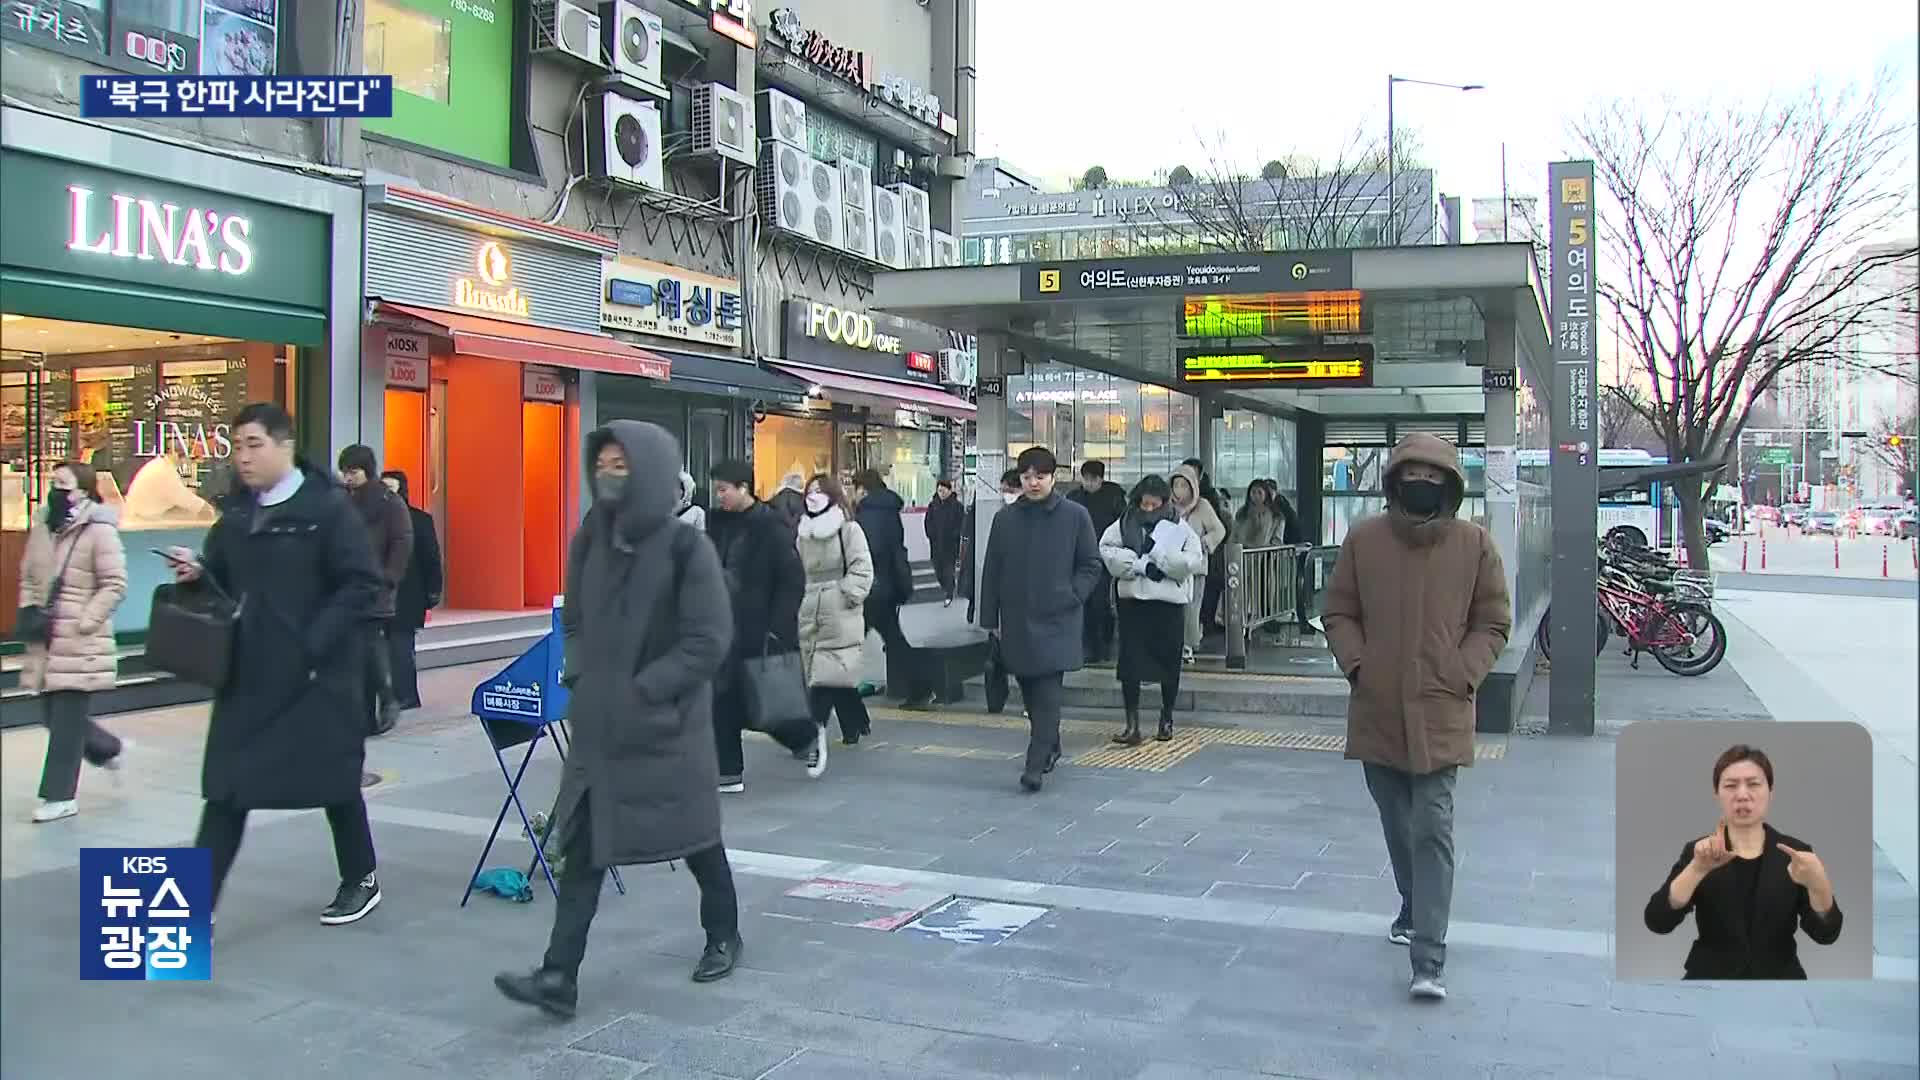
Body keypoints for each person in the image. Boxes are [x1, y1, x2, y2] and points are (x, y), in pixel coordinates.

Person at [494, 421, 744, 1019]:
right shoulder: (591, 540)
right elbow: (574, 621)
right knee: (583, 846)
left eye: (621, 465)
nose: (609, 475)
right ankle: (559, 978)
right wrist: (580, 676)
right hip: (599, 732)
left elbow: (707, 641)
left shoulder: (689, 549)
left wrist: (645, 690)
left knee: (695, 840)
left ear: (650, 471)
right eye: (601, 464)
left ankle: (723, 933)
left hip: (666, 730)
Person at [166, 402, 387, 925]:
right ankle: (197, 910)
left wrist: (315, 644)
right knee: (227, 790)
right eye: (237, 445)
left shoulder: (327, 509)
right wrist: (196, 573)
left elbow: (362, 583)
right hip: (247, 674)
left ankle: (361, 876)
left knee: (334, 782)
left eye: (254, 445)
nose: (242, 457)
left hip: (316, 679)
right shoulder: (238, 515)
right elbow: (222, 579)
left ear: (284, 446)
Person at [1321, 432, 1512, 1001]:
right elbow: (1339, 610)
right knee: (1397, 822)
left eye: (1434, 478)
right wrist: (1358, 665)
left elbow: (1493, 621)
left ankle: (1429, 956)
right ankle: (1412, 902)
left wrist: (1464, 671)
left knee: (1432, 827)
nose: (1422, 485)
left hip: (1441, 708)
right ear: (1395, 480)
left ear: (1450, 485)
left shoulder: (1475, 545)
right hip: (1378, 706)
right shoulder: (1363, 540)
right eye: (1413, 475)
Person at [1643, 744, 1842, 979]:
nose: (1742, 795)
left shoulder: (1797, 854)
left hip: (1781, 981)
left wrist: (1819, 885)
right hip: (1709, 979)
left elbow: (1826, 934)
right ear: (1716, 793)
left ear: (1771, 791)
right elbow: (1658, 921)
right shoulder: (1699, 852)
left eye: (1754, 784)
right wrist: (1696, 869)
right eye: (1730, 785)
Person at [979, 446, 1101, 792]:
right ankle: (1052, 744)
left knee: (1047, 693)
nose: (1032, 483)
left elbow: (1091, 564)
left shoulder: (1075, 516)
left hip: (1057, 619)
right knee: (1031, 692)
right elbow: (992, 571)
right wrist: (989, 618)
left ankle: (1034, 764)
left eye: (1040, 476)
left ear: (1053, 477)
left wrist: (1073, 594)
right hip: (1017, 619)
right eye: (1027, 476)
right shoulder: (1006, 519)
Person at [19, 461, 129, 823]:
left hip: (80, 638)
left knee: (65, 720)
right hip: (47, 639)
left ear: (82, 491)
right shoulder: (44, 527)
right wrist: (28, 610)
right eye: (53, 483)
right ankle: (107, 748)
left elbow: (114, 583)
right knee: (52, 715)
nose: (56, 490)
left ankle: (59, 796)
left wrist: (87, 620)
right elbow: (30, 575)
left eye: (63, 485)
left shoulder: (99, 530)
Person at [707, 459, 823, 791]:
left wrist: (778, 626)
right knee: (721, 699)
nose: (720, 497)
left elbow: (792, 579)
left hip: (758, 628)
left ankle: (805, 737)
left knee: (766, 703)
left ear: (744, 488)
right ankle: (728, 772)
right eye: (717, 490)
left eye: (724, 490)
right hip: (722, 626)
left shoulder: (769, 526)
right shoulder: (717, 525)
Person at [1097, 476, 1204, 746]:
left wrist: (1160, 558)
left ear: (1165, 502)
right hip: (1134, 602)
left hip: (1168, 605)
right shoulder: (1124, 522)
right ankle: (1131, 724)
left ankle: (1166, 718)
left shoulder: (1179, 527)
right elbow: (1106, 548)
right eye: (1144, 504)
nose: (1148, 509)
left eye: (1154, 504)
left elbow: (1193, 558)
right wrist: (1137, 564)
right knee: (1130, 664)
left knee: (1169, 663)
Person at [337, 444, 412, 736]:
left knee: (369, 645)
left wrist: (389, 577)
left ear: (366, 471)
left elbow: (402, 541)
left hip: (375, 588)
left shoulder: (389, 502)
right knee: (359, 653)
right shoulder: (343, 501)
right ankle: (367, 714)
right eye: (344, 471)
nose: (347, 477)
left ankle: (388, 695)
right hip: (347, 587)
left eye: (353, 471)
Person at [796, 474, 876, 746]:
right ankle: (856, 722)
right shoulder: (803, 533)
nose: (813, 496)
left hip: (839, 612)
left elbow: (862, 569)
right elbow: (798, 570)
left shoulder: (848, 530)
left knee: (824, 677)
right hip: (810, 610)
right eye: (810, 491)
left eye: (819, 491)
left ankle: (809, 733)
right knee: (832, 673)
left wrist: (845, 595)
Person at [852, 469, 933, 708]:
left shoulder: (870, 513)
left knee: (845, 644)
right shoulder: (887, 511)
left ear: (862, 489)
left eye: (853, 489)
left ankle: (829, 695)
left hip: (870, 588)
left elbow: (870, 549)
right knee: (893, 641)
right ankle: (920, 687)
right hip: (884, 586)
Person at [379, 470, 442, 710]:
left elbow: (432, 558)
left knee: (401, 647)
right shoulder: (373, 519)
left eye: (392, 489)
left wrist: (433, 591)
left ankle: (405, 695)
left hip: (409, 595)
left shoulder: (420, 520)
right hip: (380, 594)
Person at [1067, 460, 1128, 664]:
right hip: (1081, 558)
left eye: (1094, 479)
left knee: (1101, 605)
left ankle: (1103, 646)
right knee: (1083, 603)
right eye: (1086, 479)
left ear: (1101, 479)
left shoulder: (1114, 497)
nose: (1090, 483)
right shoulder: (1074, 498)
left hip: (1105, 559)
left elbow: (1123, 526)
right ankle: (1087, 647)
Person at [1169, 463, 1227, 663]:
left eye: (1184, 485)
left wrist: (1204, 544)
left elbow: (1219, 530)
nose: (1179, 490)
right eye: (1176, 485)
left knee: (1192, 608)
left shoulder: (1203, 506)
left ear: (1193, 486)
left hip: (1196, 568)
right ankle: (1174, 644)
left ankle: (1188, 646)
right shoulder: (1167, 507)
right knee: (1174, 607)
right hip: (1172, 566)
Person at [1182, 457, 1231, 632]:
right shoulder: (1171, 503)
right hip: (1174, 563)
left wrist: (1203, 544)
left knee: (1194, 605)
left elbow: (1219, 530)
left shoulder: (1204, 502)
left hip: (1197, 563)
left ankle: (1190, 641)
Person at [924, 478, 965, 607]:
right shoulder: (933, 505)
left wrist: (955, 534)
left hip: (950, 545)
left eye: (943, 490)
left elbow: (962, 523)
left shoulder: (957, 506)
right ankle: (947, 587)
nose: (941, 493)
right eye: (939, 490)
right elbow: (927, 522)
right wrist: (931, 534)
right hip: (936, 544)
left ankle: (949, 593)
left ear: (949, 490)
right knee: (938, 570)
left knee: (948, 569)